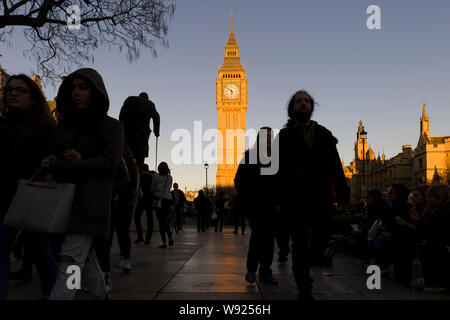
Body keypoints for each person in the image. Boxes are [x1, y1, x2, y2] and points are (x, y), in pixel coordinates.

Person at [42, 68, 124, 300]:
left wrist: (74, 163)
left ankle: (64, 296)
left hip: (90, 205)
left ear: (96, 91)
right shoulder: (64, 126)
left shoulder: (112, 127)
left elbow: (109, 163)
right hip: (60, 205)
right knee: (82, 260)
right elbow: (51, 155)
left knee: (69, 261)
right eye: (73, 88)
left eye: (83, 88)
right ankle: (99, 295)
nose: (76, 93)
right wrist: (52, 161)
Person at [276, 90, 348, 300]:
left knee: (321, 240)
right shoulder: (285, 136)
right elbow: (278, 171)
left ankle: (307, 263)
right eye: (299, 101)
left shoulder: (324, 134)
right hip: (296, 199)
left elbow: (336, 165)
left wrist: (342, 194)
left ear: (311, 106)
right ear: (293, 108)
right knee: (299, 243)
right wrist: (278, 199)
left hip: (321, 197)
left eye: (306, 101)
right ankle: (303, 285)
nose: (303, 104)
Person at [0, 74, 57, 300]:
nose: (13, 93)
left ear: (33, 98)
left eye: (20, 90)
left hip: (31, 197)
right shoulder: (2, 124)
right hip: (3, 197)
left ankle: (51, 293)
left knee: (40, 250)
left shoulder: (45, 126)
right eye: (10, 89)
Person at [235, 127, 278, 285]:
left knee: (269, 240)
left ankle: (265, 271)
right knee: (258, 237)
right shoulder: (249, 157)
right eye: (264, 136)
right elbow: (238, 181)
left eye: (269, 136)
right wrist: (249, 199)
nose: (267, 139)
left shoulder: (278, 158)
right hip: (256, 207)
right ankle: (252, 269)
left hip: (273, 207)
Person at [419, 184, 450, 291]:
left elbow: (443, 232)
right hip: (434, 241)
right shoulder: (428, 211)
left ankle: (439, 282)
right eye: (428, 196)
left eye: (431, 196)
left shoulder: (445, 210)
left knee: (433, 250)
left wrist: (429, 242)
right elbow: (426, 231)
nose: (428, 199)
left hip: (442, 244)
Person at [119, 92, 160, 171]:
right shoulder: (150, 104)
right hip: (142, 135)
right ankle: (138, 175)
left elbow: (122, 113)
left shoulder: (130, 99)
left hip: (128, 132)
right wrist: (156, 132)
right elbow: (156, 118)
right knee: (140, 157)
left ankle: (124, 173)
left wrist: (121, 126)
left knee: (126, 153)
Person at [115, 145, 140, 273]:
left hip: (119, 201)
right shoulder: (133, 168)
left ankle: (124, 257)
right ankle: (126, 258)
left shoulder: (117, 164)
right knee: (124, 232)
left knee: (119, 232)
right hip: (128, 203)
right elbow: (135, 188)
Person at [151, 162, 173, 248]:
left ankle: (164, 242)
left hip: (158, 200)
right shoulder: (170, 177)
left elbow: (152, 188)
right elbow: (169, 187)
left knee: (161, 222)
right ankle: (170, 237)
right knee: (165, 220)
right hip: (168, 199)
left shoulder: (155, 177)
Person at [134, 164, 156, 244]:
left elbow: (137, 186)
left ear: (141, 169)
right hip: (149, 199)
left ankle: (140, 236)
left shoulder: (139, 176)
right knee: (150, 219)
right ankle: (148, 239)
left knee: (136, 217)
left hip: (141, 199)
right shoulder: (152, 176)